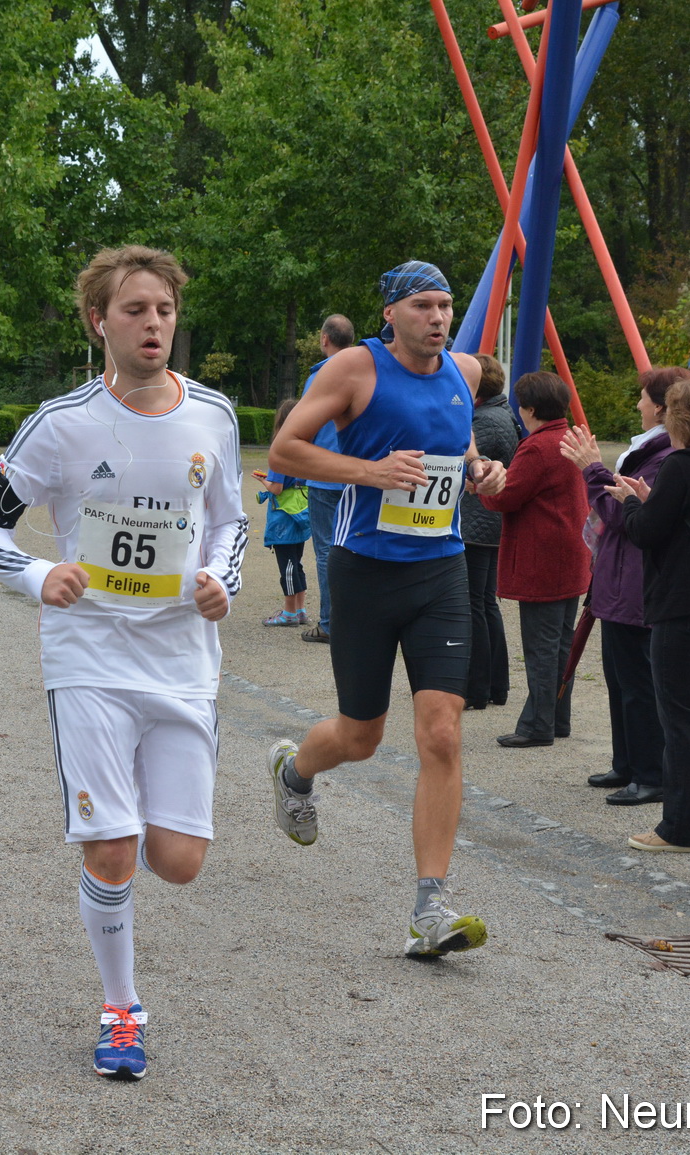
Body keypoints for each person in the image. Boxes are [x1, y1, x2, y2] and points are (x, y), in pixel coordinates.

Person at [0, 245, 247, 1080]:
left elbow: (230, 521)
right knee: (111, 847)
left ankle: (144, 873)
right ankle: (122, 1009)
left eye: (162, 309)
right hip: (88, 656)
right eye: (134, 310)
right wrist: (36, 572)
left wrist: (219, 580)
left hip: (183, 660)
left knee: (179, 861)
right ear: (100, 322)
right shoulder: (62, 424)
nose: (153, 323)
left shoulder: (215, 417)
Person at [265, 260, 507, 958]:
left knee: (442, 732)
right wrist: (368, 472)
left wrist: (481, 471)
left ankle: (431, 907)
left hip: (441, 572)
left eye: (447, 305)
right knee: (361, 735)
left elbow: (457, 453)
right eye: (425, 305)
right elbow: (286, 449)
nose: (439, 317)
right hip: (367, 573)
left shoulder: (463, 373)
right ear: (392, 313)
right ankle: (295, 771)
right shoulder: (351, 370)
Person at [610, 377, 690, 852]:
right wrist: (651, 504)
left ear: (677, 417)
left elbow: (645, 532)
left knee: (680, 714)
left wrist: (629, 503)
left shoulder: (681, 465)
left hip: (681, 603)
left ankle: (681, 827)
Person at [558, 367, 689, 803]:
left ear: (660, 407)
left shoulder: (664, 456)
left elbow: (623, 517)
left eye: (642, 398)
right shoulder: (651, 451)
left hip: (636, 584)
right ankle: (627, 763)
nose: (637, 405)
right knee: (619, 678)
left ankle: (650, 774)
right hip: (618, 582)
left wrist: (591, 469)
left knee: (637, 683)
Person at [478, 371, 591, 749]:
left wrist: (480, 488)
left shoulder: (538, 447)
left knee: (541, 646)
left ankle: (538, 725)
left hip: (543, 558)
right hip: (572, 553)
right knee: (561, 645)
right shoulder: (570, 437)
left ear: (528, 409)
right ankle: (557, 718)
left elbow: (507, 495)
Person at [460, 353, 516, 711]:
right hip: (490, 522)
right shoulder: (503, 414)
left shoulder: (483, 421)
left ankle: (477, 687)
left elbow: (472, 469)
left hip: (479, 522)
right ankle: (496, 684)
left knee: (474, 604)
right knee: (484, 603)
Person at [297, 314, 355, 643]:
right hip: (358, 476)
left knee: (325, 551)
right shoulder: (367, 372)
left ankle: (331, 623)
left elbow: (302, 431)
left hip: (324, 478)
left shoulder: (319, 378)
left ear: (324, 340)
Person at [254, 399, 309, 627]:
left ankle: (288, 613)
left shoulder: (281, 448)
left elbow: (276, 488)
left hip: (283, 516)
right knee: (297, 562)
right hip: (302, 511)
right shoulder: (307, 446)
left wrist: (263, 481)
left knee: (286, 565)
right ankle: (301, 609)